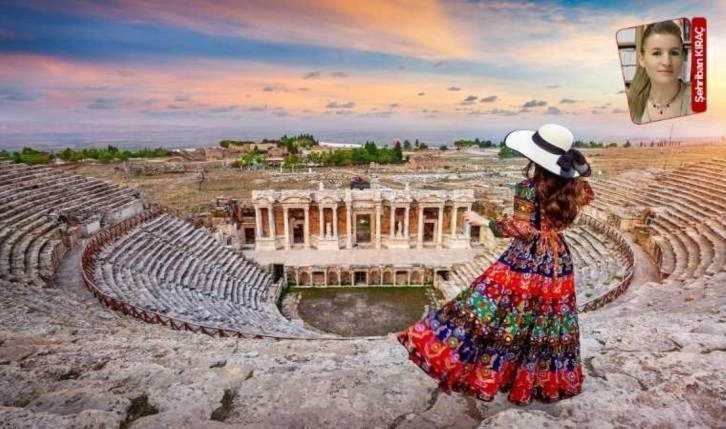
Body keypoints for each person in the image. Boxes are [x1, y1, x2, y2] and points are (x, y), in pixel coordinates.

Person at [397, 123, 594, 405]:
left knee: (488, 306)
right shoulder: (576, 188)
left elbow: (521, 229)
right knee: (550, 319)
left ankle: (466, 359)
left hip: (526, 259)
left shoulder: (528, 189)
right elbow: (584, 200)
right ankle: (542, 382)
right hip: (558, 259)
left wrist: (485, 222)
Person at [627, 20, 692, 124]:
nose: (666, 62)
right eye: (656, 53)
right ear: (642, 60)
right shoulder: (630, 103)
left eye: (674, 53)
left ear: (682, 58)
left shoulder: (699, 98)